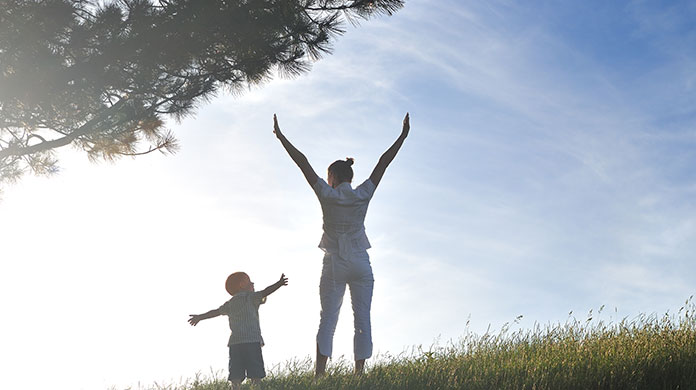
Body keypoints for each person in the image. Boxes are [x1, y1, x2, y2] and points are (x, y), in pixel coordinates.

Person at [273, 113, 410, 375]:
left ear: (332, 177)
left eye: (328, 177)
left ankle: (320, 374)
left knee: (328, 319)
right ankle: (359, 374)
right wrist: (402, 136)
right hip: (360, 263)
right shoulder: (363, 194)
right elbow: (383, 162)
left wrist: (281, 137)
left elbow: (302, 162)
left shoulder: (326, 194)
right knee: (362, 318)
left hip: (335, 263)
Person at [188, 272, 288, 389]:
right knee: (255, 373)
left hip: (235, 344)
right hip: (251, 341)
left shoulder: (230, 303)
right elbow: (266, 291)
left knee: (236, 373)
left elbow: (215, 312)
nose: (253, 283)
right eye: (250, 281)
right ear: (242, 285)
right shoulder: (251, 297)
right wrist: (279, 283)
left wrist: (200, 317)